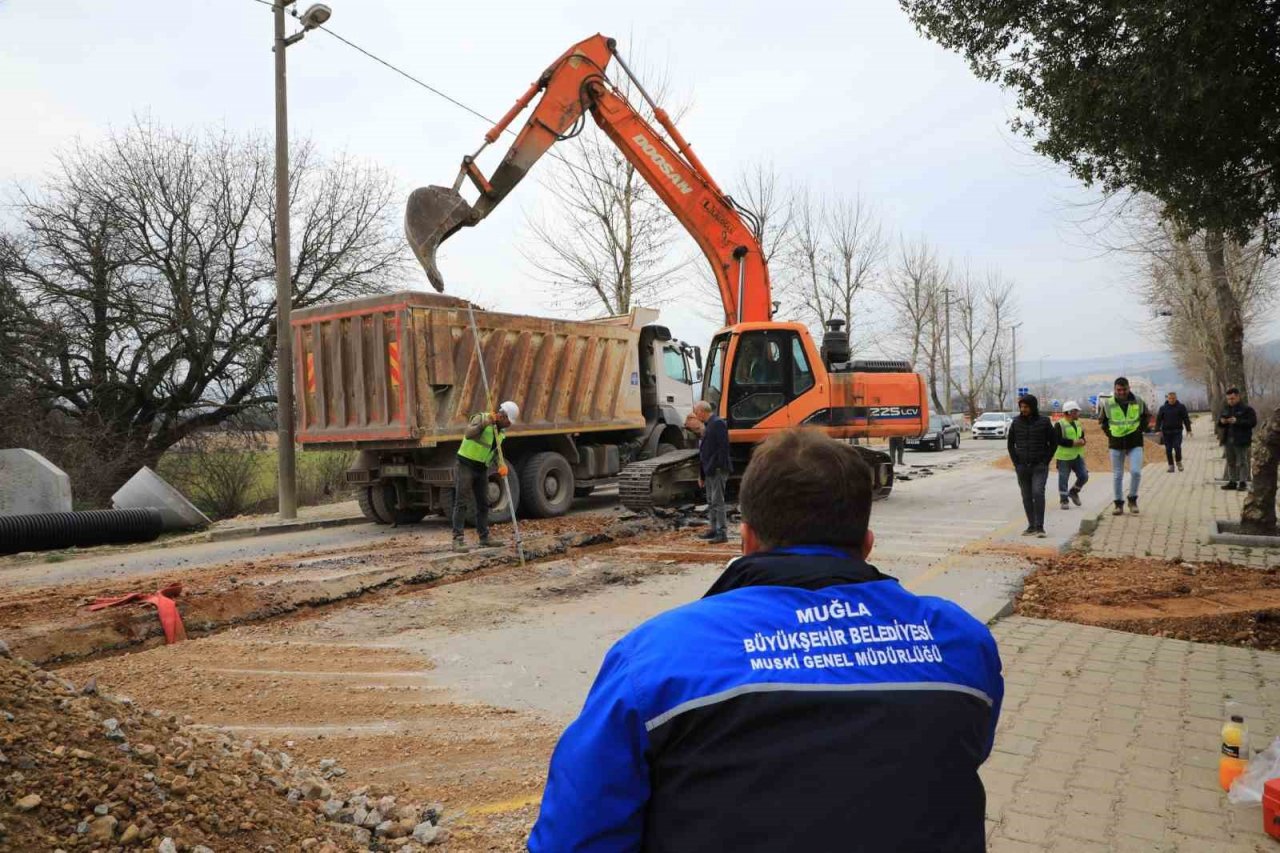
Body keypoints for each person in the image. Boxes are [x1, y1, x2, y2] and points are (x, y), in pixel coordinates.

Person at [528, 429, 1003, 852]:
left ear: (747, 539)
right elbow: (960, 753)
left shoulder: (656, 659)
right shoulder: (961, 643)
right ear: (867, 544)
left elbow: (576, 835)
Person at [451, 400, 518, 552]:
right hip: (466, 464)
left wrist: (501, 464)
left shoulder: (501, 432)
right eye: (509, 421)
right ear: (502, 416)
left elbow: (493, 450)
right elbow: (468, 434)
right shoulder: (482, 418)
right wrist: (486, 423)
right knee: (461, 501)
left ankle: (484, 537)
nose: (510, 424)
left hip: (481, 468)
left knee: (483, 503)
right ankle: (458, 539)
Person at [1098, 377, 1151, 516]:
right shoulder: (1108, 404)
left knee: (1136, 472)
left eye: (1124, 389)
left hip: (1135, 442)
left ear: (1129, 388)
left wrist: (1140, 430)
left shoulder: (1138, 401)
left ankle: (1132, 499)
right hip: (1116, 443)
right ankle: (1118, 504)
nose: (1121, 392)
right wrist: (1110, 434)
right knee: (1117, 475)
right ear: (1115, 389)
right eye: (1119, 390)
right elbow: (1102, 421)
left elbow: (1147, 416)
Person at [1007, 393, 1056, 537]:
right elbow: (1010, 444)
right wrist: (1016, 463)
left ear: (1033, 407)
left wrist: (1045, 460)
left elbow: (1053, 443)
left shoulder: (1044, 422)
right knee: (1026, 496)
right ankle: (1031, 526)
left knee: (1038, 493)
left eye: (1026, 407)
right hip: (1022, 467)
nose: (1023, 409)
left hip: (1039, 466)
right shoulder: (1016, 422)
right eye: (1021, 407)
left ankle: (1040, 527)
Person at [693, 400, 731, 543]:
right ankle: (713, 529)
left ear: (703, 411)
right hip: (709, 470)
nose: (696, 416)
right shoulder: (708, 426)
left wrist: (719, 467)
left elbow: (723, 447)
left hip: (717, 469)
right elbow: (704, 453)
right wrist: (702, 474)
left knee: (717, 501)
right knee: (711, 501)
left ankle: (722, 533)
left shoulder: (718, 423)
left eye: (696, 413)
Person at [1219, 387, 1257, 491]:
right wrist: (1222, 421)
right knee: (1230, 462)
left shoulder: (1247, 409)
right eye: (1228, 399)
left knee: (1242, 461)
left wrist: (1237, 421)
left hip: (1241, 440)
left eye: (1232, 398)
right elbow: (1220, 422)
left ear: (1238, 397)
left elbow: (1252, 423)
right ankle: (1232, 481)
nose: (1230, 401)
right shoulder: (1226, 409)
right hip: (1228, 440)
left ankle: (1242, 482)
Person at [1054, 401, 1090, 510]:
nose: (1078, 413)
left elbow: (1082, 436)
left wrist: (1083, 441)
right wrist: (1073, 443)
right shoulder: (1059, 424)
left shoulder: (1078, 423)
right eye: (1076, 411)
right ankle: (1064, 500)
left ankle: (1073, 492)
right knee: (1063, 479)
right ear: (1070, 412)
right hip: (1064, 457)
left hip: (1078, 455)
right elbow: (1057, 440)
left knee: (1084, 476)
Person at [1155, 391, 1193, 473]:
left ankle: (1178, 461)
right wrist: (1157, 430)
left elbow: (1186, 418)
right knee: (1168, 449)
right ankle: (1171, 466)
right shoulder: (1163, 408)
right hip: (1166, 432)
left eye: (1173, 398)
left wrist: (1189, 429)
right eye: (1170, 398)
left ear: (1176, 398)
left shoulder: (1181, 407)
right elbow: (1158, 419)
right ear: (1167, 399)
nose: (1171, 400)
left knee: (1177, 447)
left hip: (1177, 431)